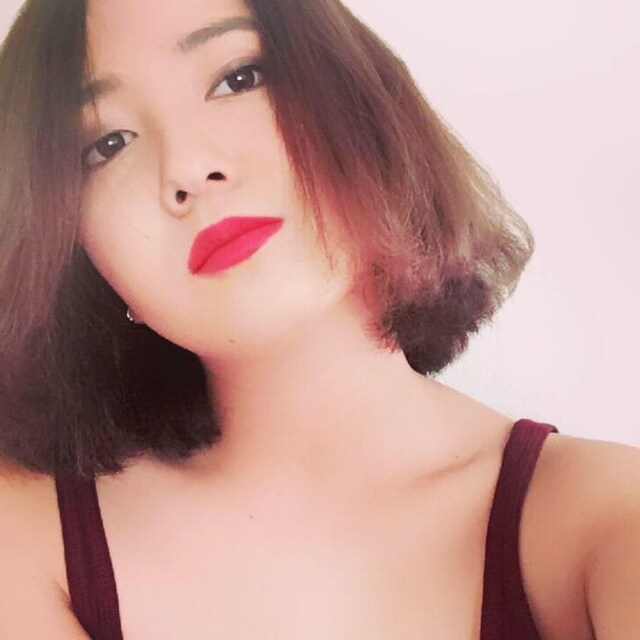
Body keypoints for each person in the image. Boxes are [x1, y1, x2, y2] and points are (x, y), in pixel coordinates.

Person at [0, 0, 638, 637]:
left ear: (363, 100)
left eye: (238, 79)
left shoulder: (602, 520)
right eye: (107, 144)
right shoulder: (25, 536)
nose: (187, 167)